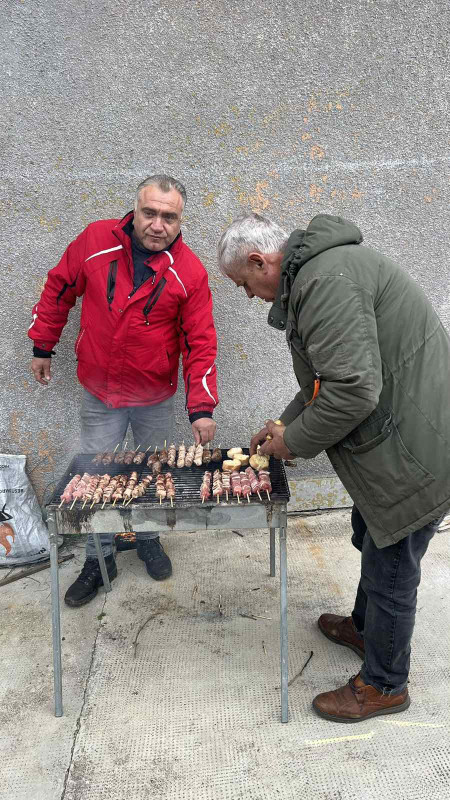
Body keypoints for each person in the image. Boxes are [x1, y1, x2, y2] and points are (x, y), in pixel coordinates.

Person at [218, 211, 450, 723]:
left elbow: (353, 391)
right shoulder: (322, 273)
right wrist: (285, 421)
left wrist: (292, 443)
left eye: (243, 283)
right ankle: (367, 630)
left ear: (261, 261)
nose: (249, 295)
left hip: (414, 447)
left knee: (392, 564)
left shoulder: (326, 283)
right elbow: (329, 380)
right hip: (401, 435)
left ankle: (385, 684)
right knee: (373, 535)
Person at [29, 174, 218, 607]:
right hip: (100, 390)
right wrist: (43, 344)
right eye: (149, 213)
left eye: (168, 217)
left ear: (180, 220)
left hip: (154, 395)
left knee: (155, 474)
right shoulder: (95, 240)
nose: (157, 224)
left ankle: (148, 539)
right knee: (98, 476)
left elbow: (200, 342)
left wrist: (201, 408)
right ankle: (100, 557)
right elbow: (60, 288)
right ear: (134, 210)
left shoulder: (189, 273)